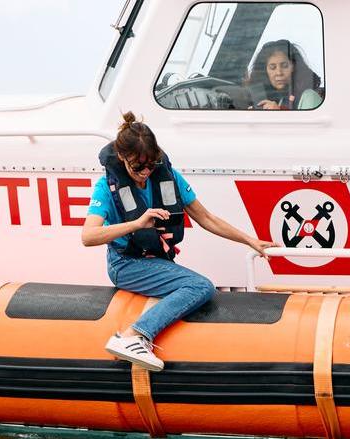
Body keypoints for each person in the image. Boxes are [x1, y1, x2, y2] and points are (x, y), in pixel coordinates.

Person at [81, 112, 273, 372]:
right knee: (200, 286)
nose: (145, 173)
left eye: (151, 164)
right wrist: (137, 224)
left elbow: (206, 218)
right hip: (125, 264)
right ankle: (134, 336)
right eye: (138, 167)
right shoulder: (106, 187)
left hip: (157, 261)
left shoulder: (168, 177)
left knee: (199, 286)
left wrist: (250, 241)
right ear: (122, 159)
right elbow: (88, 236)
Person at [245, 40, 323, 110]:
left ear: (294, 67)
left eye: (285, 66)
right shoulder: (280, 99)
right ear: (265, 71)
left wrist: (279, 113)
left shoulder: (309, 97)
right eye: (272, 67)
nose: (279, 72)